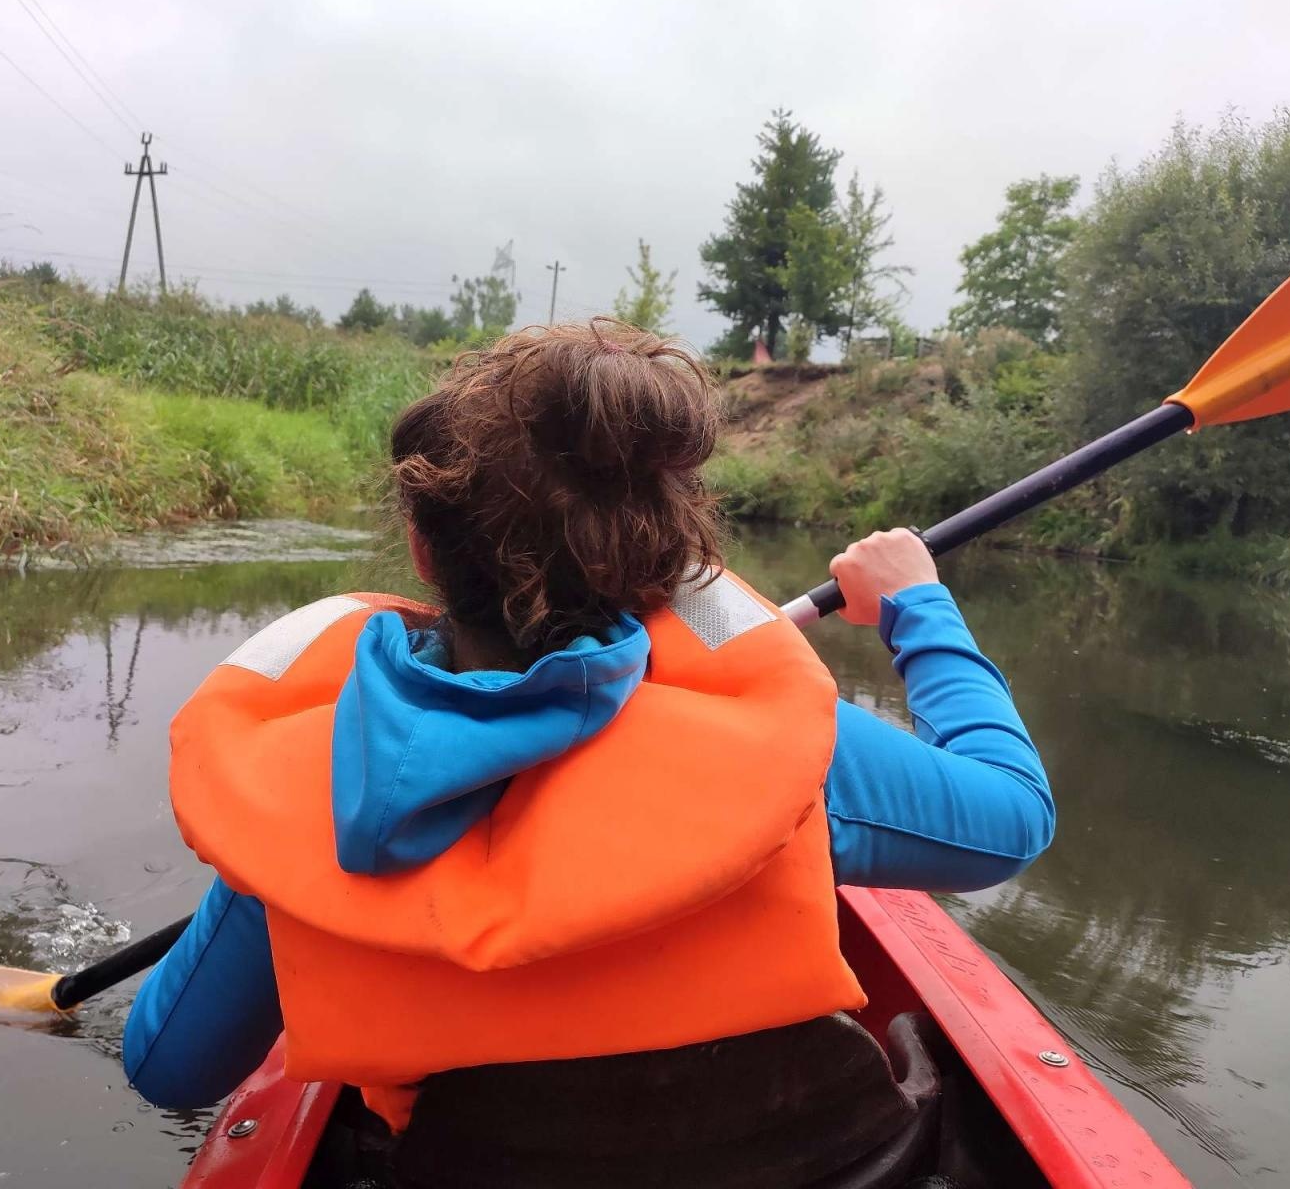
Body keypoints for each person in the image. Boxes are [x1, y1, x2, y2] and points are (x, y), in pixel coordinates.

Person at [123, 321, 1053, 1155]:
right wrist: (917, 608)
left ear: (422, 552)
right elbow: (1012, 818)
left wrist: (268, 885)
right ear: (666, 549)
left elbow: (171, 1069)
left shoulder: (309, 790)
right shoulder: (796, 755)